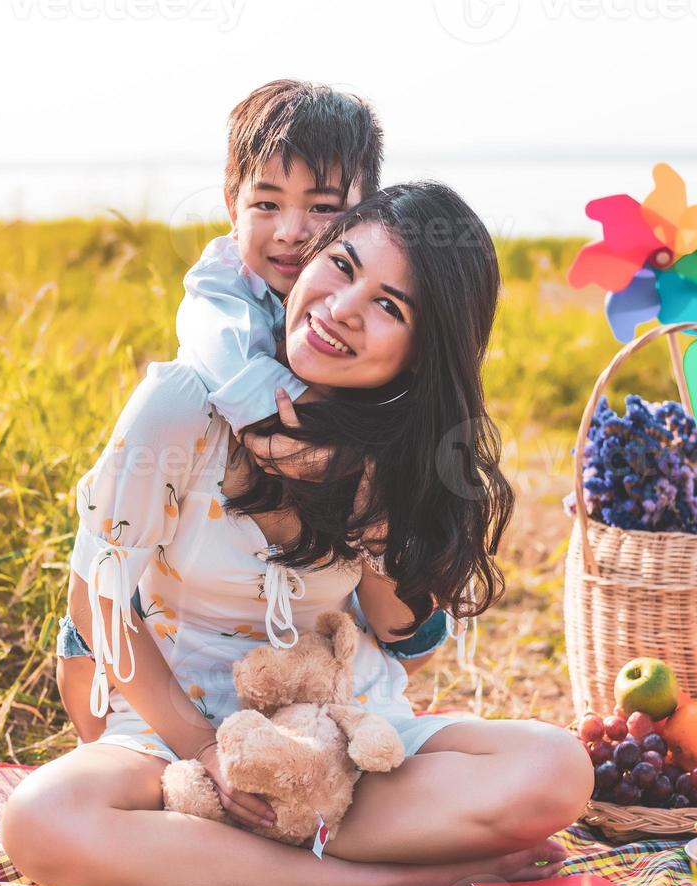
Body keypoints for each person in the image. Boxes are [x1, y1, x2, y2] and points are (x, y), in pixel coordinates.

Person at [2, 182, 593, 886]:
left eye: (389, 306)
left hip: (337, 742)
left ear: (421, 352)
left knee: (558, 769)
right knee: (41, 822)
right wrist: (207, 750)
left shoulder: (405, 449)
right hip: (178, 732)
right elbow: (95, 603)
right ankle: (394, 878)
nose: (342, 308)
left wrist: (375, 498)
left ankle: (221, 852)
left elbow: (405, 635)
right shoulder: (184, 404)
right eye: (343, 266)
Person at [56, 79, 460, 744]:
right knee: (94, 662)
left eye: (323, 209)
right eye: (266, 203)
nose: (291, 232)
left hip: (323, 630)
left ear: (367, 216)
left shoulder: (365, 333)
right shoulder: (220, 307)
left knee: (415, 628)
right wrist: (269, 424)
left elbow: (405, 621)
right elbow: (218, 351)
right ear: (231, 206)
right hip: (144, 615)